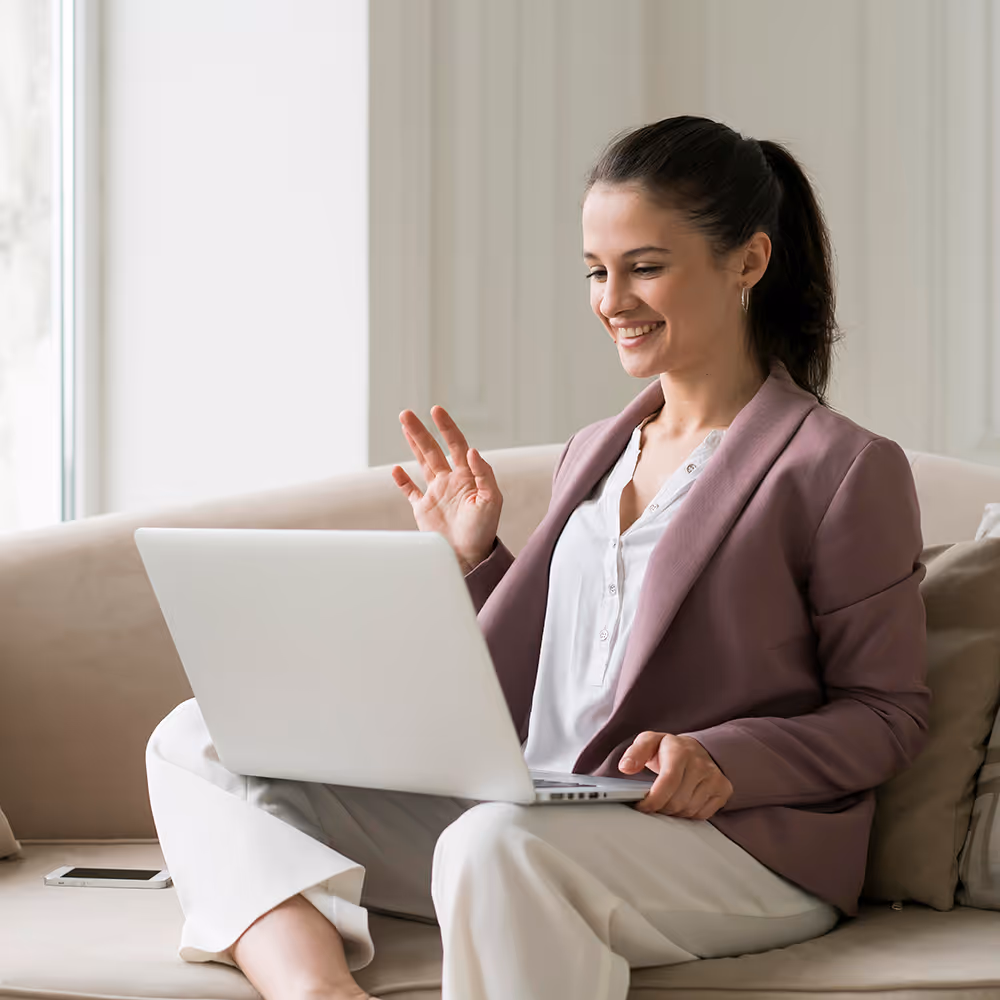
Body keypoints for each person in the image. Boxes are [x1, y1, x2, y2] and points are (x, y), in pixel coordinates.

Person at [145, 116, 930, 1000]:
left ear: (748, 262)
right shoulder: (592, 450)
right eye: (597, 272)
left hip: (733, 845)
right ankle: (318, 990)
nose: (611, 300)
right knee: (196, 738)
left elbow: (888, 713)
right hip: (546, 807)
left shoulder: (840, 466)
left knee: (491, 846)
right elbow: (567, 673)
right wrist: (479, 557)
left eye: (645, 266)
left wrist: (725, 757)